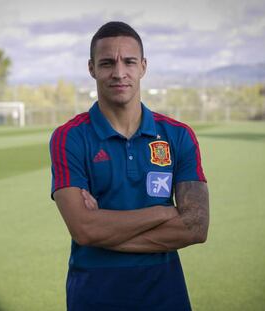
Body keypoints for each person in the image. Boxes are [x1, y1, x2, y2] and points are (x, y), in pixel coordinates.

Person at [49, 21, 209, 311]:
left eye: (129, 62)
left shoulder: (178, 134)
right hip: (93, 297)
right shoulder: (69, 137)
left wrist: (103, 230)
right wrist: (164, 211)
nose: (119, 73)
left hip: (165, 296)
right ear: (91, 68)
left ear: (143, 67)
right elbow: (83, 230)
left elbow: (196, 227)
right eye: (107, 63)